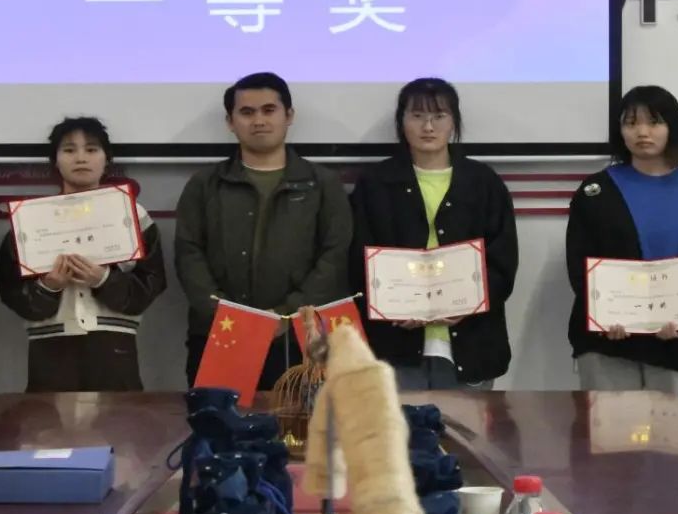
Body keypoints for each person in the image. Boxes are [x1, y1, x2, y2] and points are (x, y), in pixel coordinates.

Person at [175, 72, 353, 389]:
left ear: (289, 115)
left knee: (301, 420)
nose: (258, 121)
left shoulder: (322, 183)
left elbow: (335, 255)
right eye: (247, 112)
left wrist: (285, 314)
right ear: (230, 122)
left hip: (301, 336)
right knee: (218, 419)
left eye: (269, 110)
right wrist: (229, 316)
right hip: (221, 333)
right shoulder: (205, 184)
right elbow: (189, 255)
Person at [565, 85, 678, 402]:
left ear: (672, 127)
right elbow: (580, 263)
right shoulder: (596, 191)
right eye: (631, 123)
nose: (642, 132)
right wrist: (602, 313)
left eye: (654, 122)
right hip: (607, 344)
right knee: (608, 433)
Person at [349, 77, 518, 390]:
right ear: (401, 122)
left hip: (471, 343)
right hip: (394, 345)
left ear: (453, 122)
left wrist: (469, 302)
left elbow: (503, 260)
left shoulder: (483, 182)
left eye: (439, 116)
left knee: (466, 424)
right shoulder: (375, 183)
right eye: (417, 116)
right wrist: (390, 305)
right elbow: (357, 260)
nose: (428, 126)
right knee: (400, 423)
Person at [0, 116, 165, 391]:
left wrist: (103, 280)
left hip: (114, 345)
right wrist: (49, 287)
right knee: (49, 418)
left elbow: (152, 283)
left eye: (92, 149)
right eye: (69, 150)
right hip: (51, 348)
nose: (81, 158)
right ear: (55, 161)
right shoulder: (31, 220)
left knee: (118, 417)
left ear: (107, 159)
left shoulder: (133, 215)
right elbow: (8, 286)